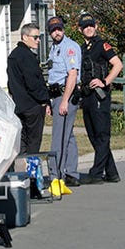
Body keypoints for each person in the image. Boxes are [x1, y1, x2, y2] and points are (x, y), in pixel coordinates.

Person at [77, 13, 123, 184]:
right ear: (80, 29)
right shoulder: (82, 48)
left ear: (96, 27)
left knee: (102, 135)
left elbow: (118, 64)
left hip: (100, 96)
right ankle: (111, 173)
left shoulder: (102, 45)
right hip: (87, 96)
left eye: (91, 25)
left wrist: (104, 81)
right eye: (85, 26)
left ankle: (96, 173)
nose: (89, 28)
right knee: (93, 135)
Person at [46, 15, 81, 188]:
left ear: (63, 29)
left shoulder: (69, 48)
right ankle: (72, 173)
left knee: (58, 137)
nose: (56, 32)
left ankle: (56, 175)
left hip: (65, 95)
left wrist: (64, 101)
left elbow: (72, 75)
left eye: (59, 29)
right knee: (68, 136)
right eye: (53, 30)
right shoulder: (54, 48)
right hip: (56, 95)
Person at [7, 22, 51, 157]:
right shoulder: (26, 56)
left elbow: (11, 83)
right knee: (33, 142)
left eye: (39, 37)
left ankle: (22, 173)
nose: (38, 41)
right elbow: (33, 83)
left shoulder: (14, 55)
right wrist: (45, 100)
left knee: (22, 142)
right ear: (25, 37)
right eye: (35, 37)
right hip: (32, 106)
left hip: (19, 105)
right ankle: (32, 175)